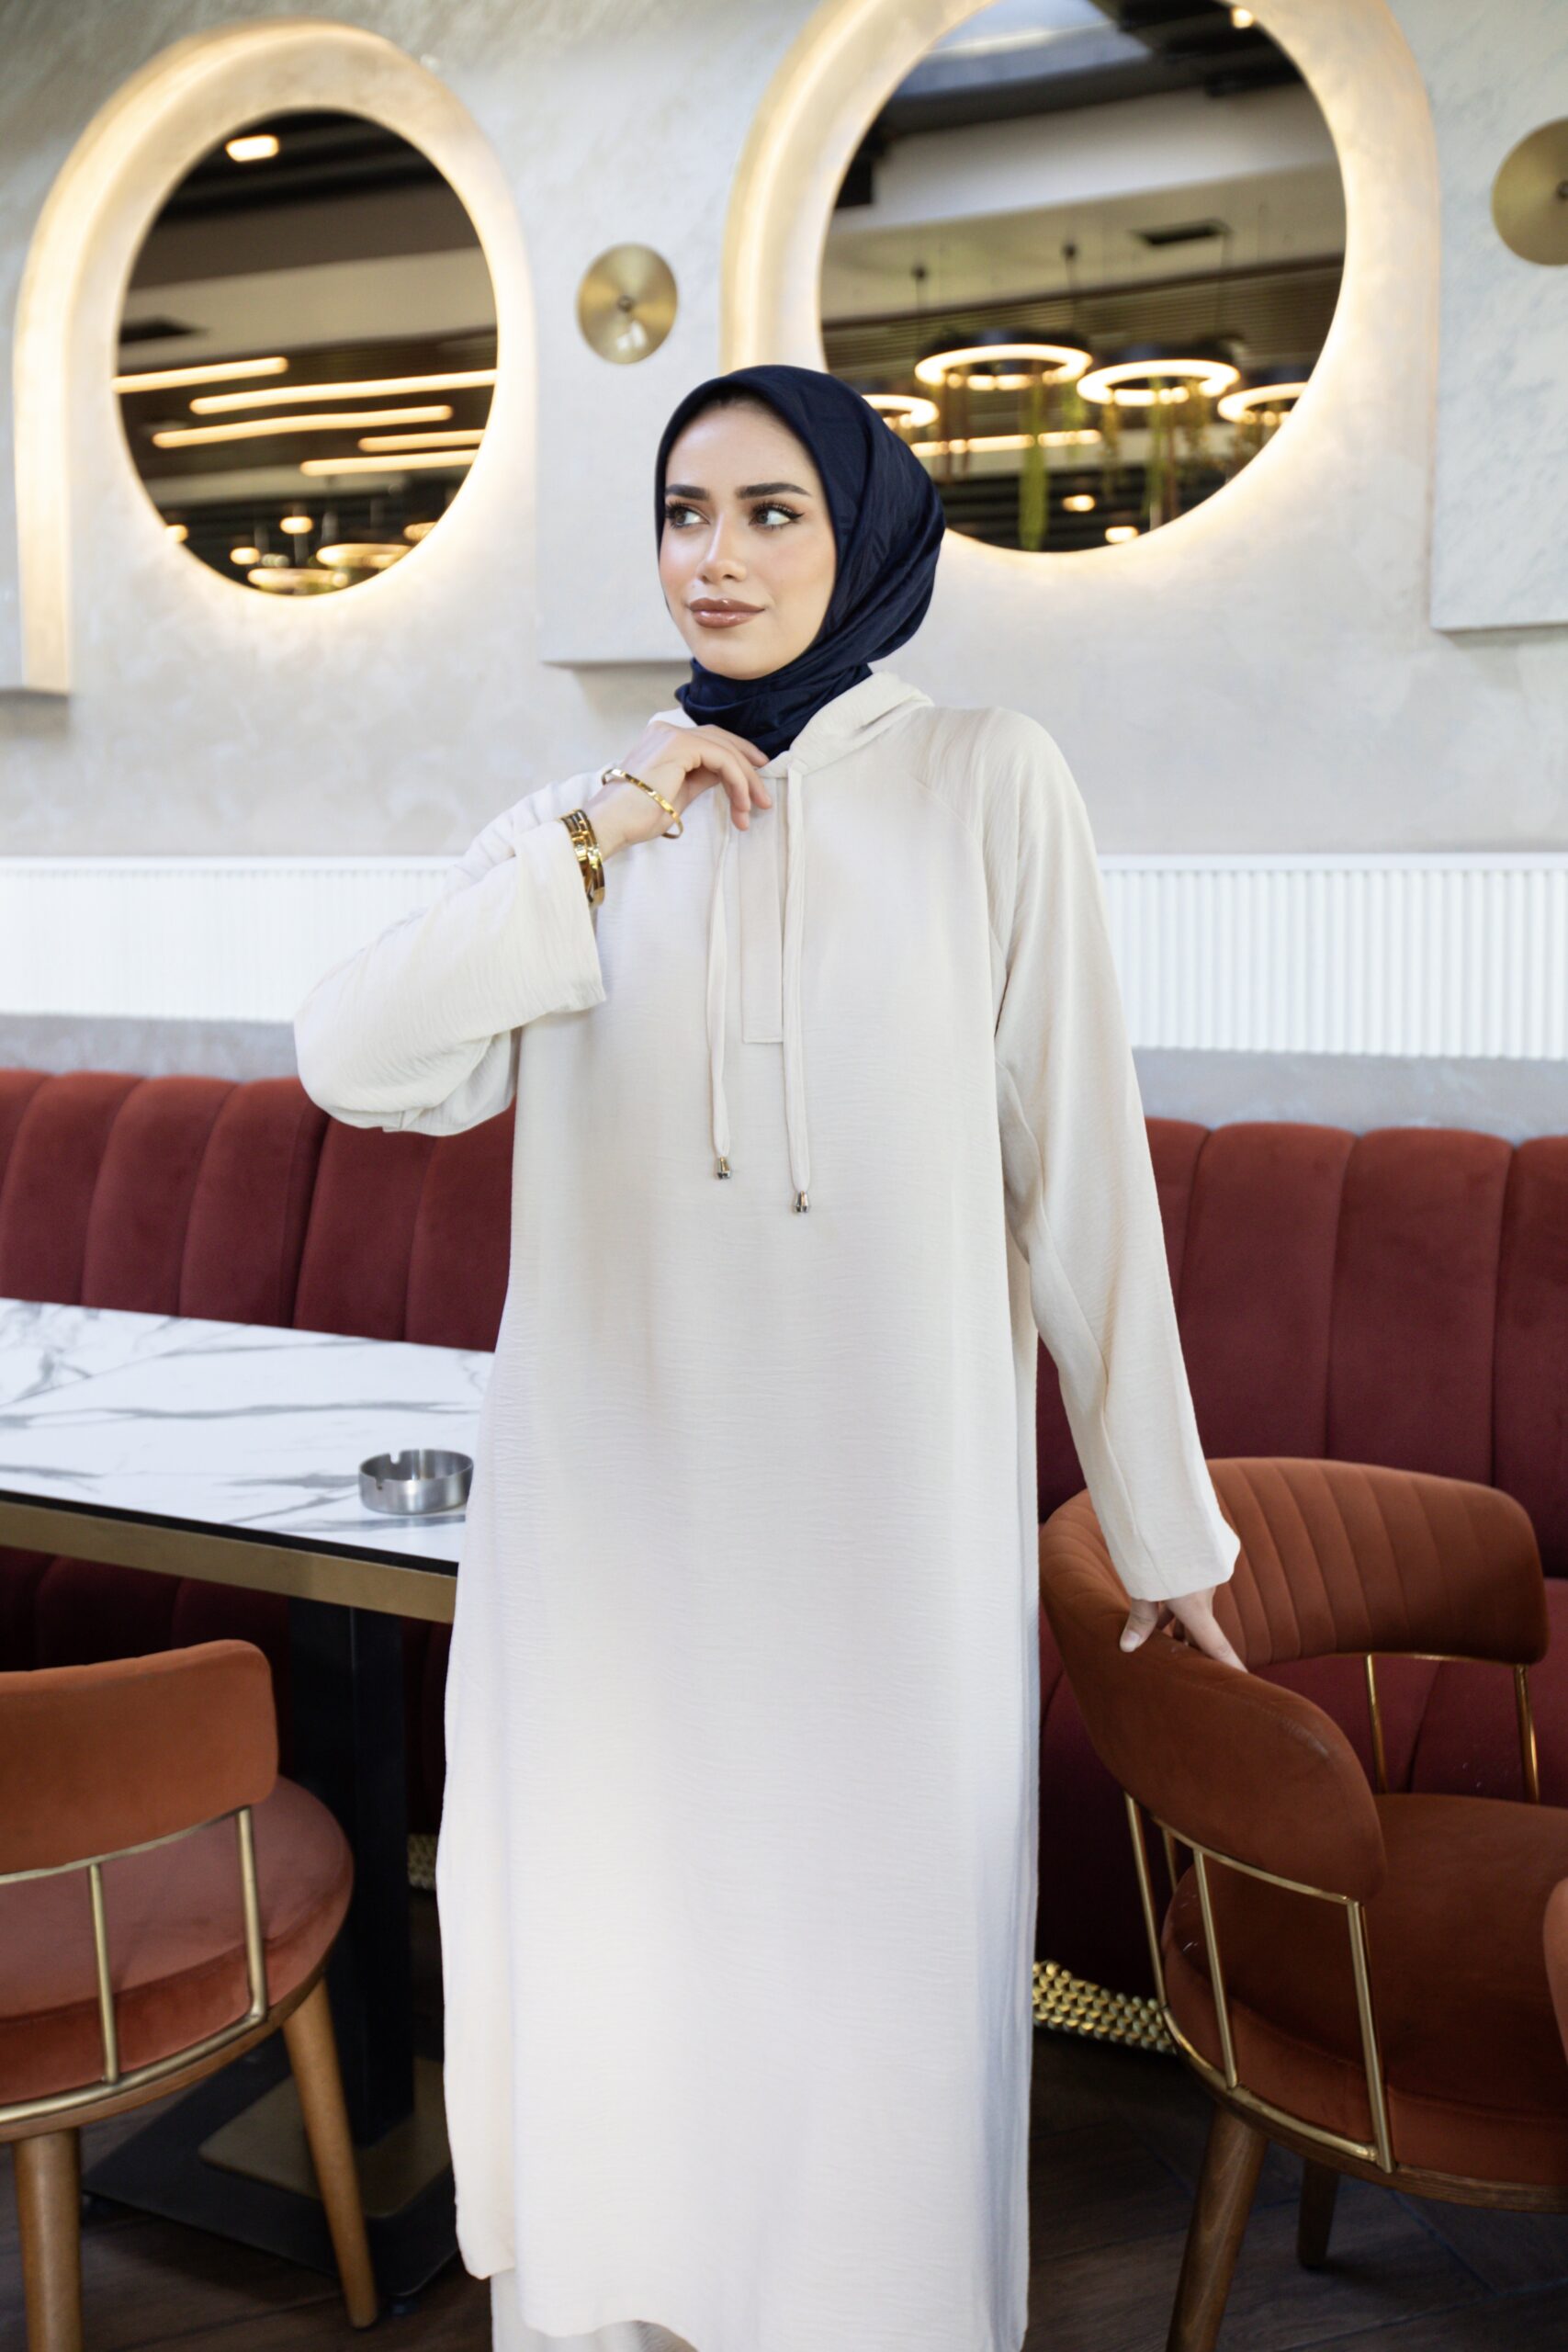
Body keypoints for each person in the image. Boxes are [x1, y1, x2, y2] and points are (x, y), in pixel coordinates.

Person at [292, 361, 1244, 2352]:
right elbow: (354, 1055)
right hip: (614, 1531)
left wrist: (1163, 1527)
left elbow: (1084, 1175)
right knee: (623, 1956)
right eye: (681, 513)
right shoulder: (590, 817)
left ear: (863, 532)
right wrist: (608, 826)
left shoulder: (987, 778)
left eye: (767, 511)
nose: (711, 558)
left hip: (882, 1539)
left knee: (869, 1978)